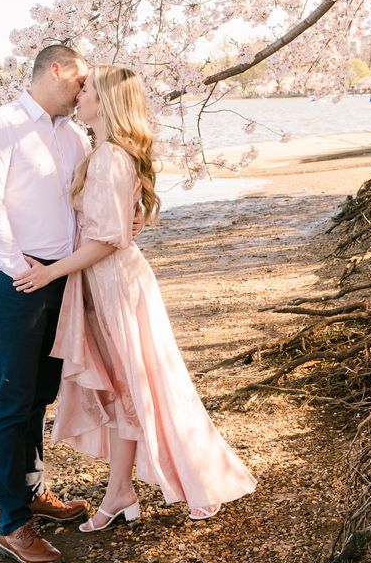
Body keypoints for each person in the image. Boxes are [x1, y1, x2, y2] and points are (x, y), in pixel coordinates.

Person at [14, 65, 257, 531]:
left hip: (114, 285)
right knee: (125, 390)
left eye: (86, 92)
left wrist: (49, 273)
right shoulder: (107, 153)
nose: (78, 98)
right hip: (109, 281)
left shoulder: (109, 157)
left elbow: (106, 240)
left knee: (134, 389)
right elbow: (115, 228)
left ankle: (135, 490)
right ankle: (120, 491)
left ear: (104, 102)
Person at [0, 44, 143, 563]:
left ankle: (35, 491)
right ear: (58, 70)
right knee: (12, 398)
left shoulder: (71, 135)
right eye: (81, 80)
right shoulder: (1, 125)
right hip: (18, 279)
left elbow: (85, 205)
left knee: (41, 394)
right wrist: (16, 265)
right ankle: (13, 524)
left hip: (64, 279)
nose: (84, 91)